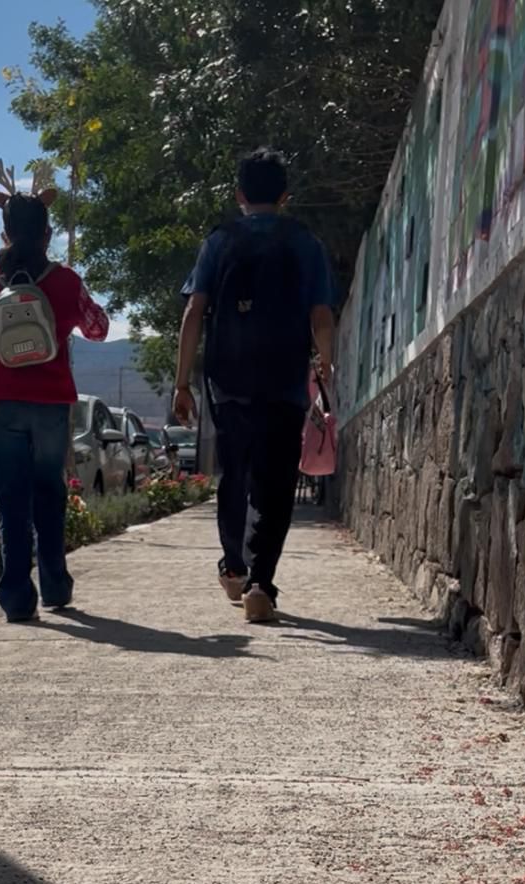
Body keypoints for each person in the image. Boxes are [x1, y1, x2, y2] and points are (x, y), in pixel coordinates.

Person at [174, 146, 335, 623]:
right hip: (284, 380)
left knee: (236, 473)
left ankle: (233, 564)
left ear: (239, 194)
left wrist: (181, 383)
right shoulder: (305, 242)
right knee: (277, 482)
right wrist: (326, 364)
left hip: (229, 379)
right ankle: (261, 583)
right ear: (284, 196)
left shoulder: (219, 241)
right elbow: (321, 314)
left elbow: (194, 312)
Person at [0, 163, 109, 623]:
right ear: (47, 234)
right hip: (52, 403)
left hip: (4, 402)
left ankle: (15, 597)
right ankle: (55, 585)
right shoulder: (64, 281)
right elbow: (99, 329)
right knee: (50, 492)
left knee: (10, 499)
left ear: (5, 234)